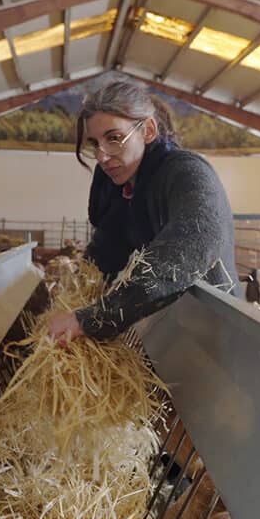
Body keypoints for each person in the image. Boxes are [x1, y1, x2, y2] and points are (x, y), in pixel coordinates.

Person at [47, 80, 241, 341]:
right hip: (173, 330)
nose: (103, 156)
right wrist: (73, 296)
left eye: (114, 138)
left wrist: (92, 320)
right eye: (95, 143)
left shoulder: (188, 174)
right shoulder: (126, 185)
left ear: (148, 131)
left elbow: (183, 252)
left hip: (217, 334)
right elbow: (105, 251)